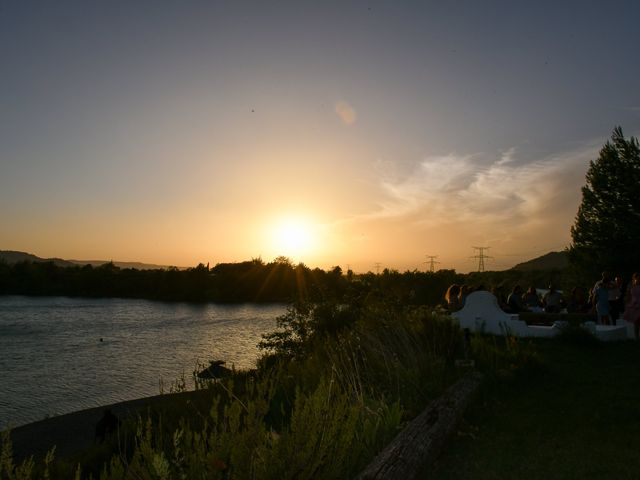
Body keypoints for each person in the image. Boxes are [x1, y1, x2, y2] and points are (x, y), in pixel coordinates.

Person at [624, 273, 640, 340]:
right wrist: (627, 302)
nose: (639, 280)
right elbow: (628, 295)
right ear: (634, 278)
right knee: (636, 322)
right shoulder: (631, 286)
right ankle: (636, 338)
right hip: (634, 305)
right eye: (638, 278)